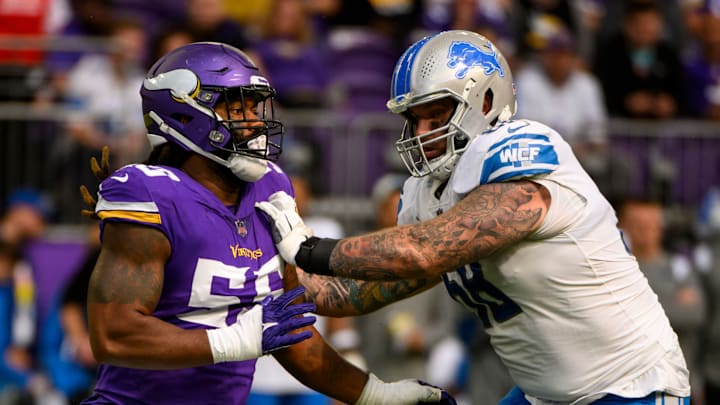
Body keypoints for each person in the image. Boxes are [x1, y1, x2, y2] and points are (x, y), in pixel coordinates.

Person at [256, 30, 692, 404]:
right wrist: (260, 278)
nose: (423, 134)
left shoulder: (523, 152)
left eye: (436, 115)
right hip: (545, 394)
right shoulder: (429, 194)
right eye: (414, 119)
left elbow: (423, 252)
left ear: (485, 100)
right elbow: (350, 292)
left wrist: (308, 248)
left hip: (630, 387)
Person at [79, 41, 453, 405]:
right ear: (183, 114)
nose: (255, 121)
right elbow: (114, 335)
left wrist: (375, 395)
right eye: (237, 108)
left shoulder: (269, 190)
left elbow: (289, 329)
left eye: (255, 107)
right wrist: (236, 340)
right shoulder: (151, 194)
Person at [618, 199, 707, 405]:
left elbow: (694, 314)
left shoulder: (679, 267)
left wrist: (637, 305)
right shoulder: (618, 270)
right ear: (622, 226)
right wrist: (673, 301)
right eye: (638, 224)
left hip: (679, 382)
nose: (645, 230)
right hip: (632, 386)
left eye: (651, 224)